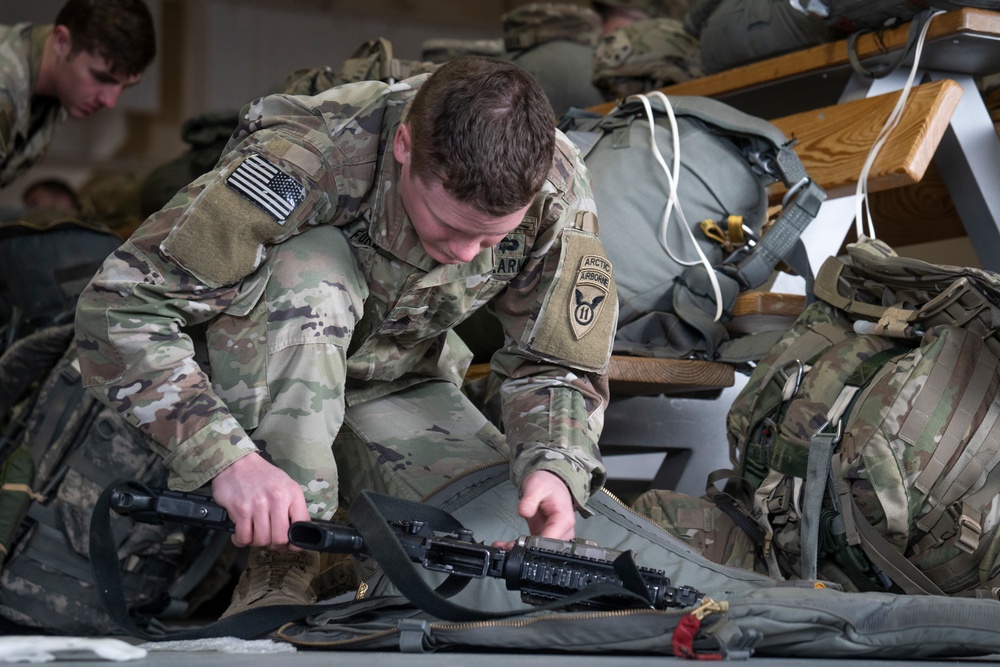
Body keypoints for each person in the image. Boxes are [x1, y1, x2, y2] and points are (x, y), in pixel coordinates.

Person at [75, 56, 617, 617]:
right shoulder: (304, 157)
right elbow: (119, 309)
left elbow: (555, 360)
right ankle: (290, 555)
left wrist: (555, 464)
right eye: (450, 226)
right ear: (404, 146)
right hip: (257, 382)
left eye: (489, 240)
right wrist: (225, 459)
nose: (462, 254)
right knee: (313, 266)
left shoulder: (555, 186)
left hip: (396, 381)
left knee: (482, 548)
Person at [0, 0, 156, 189]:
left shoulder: (58, 81)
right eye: (101, 77)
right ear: (61, 42)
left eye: (126, 86)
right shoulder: (5, 84)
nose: (110, 101)